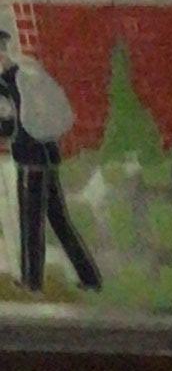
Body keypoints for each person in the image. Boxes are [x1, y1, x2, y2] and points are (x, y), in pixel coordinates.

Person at [0, 26, 99, 294]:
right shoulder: (28, 75)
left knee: (31, 221)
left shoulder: (8, 85)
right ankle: (90, 276)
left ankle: (32, 282)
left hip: (30, 159)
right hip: (47, 154)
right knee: (58, 219)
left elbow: (10, 126)